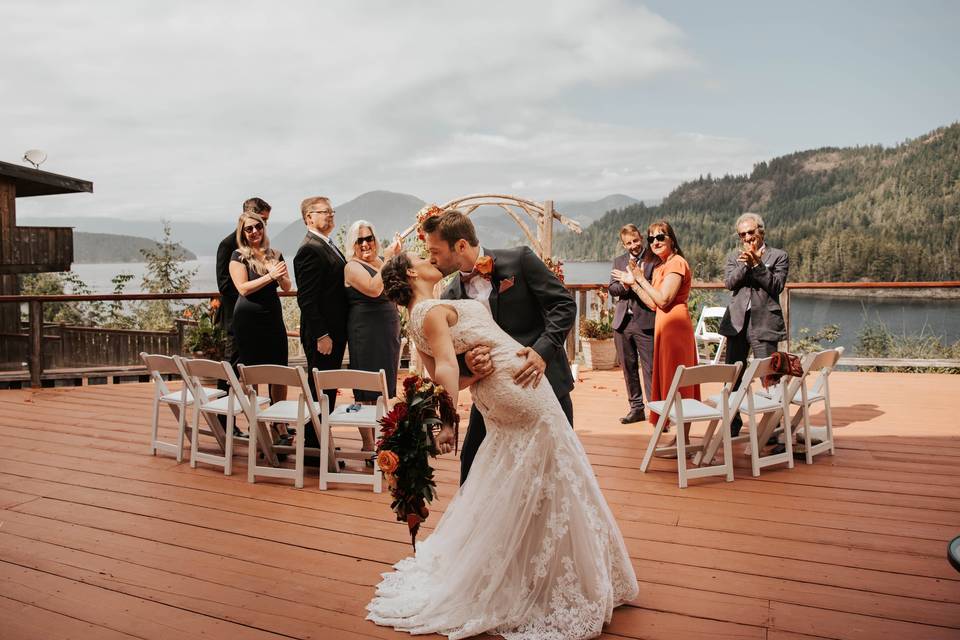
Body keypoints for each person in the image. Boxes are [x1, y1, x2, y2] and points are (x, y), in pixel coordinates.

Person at [366, 251, 638, 640]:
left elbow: (451, 372)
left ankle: (531, 568)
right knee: (552, 467)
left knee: (523, 473)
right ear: (411, 272)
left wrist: (472, 371)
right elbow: (442, 370)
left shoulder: (421, 314)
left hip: (507, 388)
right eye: (421, 257)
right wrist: (447, 421)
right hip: (519, 393)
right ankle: (551, 578)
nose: (430, 258)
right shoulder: (426, 310)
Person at [421, 209, 577, 486]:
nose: (431, 259)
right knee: (471, 469)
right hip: (492, 396)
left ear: (460, 245)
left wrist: (543, 351)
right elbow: (453, 357)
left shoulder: (520, 260)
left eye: (435, 251)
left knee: (556, 473)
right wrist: (469, 362)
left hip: (543, 384)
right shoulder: (449, 297)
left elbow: (563, 305)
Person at [612, 220, 699, 452]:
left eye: (661, 237)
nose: (656, 242)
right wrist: (634, 282)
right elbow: (652, 303)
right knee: (670, 380)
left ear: (671, 239)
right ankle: (681, 439)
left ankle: (684, 439)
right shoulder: (661, 266)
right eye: (652, 239)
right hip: (664, 327)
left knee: (680, 381)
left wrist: (639, 279)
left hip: (676, 328)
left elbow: (664, 299)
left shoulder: (677, 263)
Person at [719, 212, 789, 435]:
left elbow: (776, 286)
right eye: (742, 234)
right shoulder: (734, 257)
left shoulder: (779, 256)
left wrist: (758, 264)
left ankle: (773, 428)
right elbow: (730, 283)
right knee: (733, 375)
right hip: (737, 323)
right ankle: (733, 421)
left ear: (761, 231)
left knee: (770, 377)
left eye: (751, 232)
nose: (747, 237)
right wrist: (746, 264)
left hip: (764, 323)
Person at [228, 211, 292, 440]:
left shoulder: (275, 254)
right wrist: (269, 275)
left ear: (264, 228)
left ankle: (279, 423)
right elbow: (243, 288)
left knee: (279, 370)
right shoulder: (238, 256)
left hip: (272, 318)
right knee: (249, 373)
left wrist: (280, 274)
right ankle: (254, 422)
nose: (254, 231)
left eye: (258, 227)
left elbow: (286, 286)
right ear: (243, 233)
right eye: (249, 228)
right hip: (248, 320)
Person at [294, 196, 347, 447]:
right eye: (324, 212)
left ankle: (317, 440)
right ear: (309, 217)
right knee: (320, 390)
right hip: (323, 335)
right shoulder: (309, 249)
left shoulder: (326, 244)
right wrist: (321, 334)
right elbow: (306, 299)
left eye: (331, 211)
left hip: (335, 331)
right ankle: (313, 444)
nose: (330, 215)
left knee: (326, 389)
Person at [343, 219, 401, 452]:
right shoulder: (352, 266)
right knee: (366, 389)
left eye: (369, 238)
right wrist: (388, 260)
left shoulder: (381, 262)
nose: (365, 244)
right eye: (360, 240)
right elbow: (373, 288)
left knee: (386, 388)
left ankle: (384, 439)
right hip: (365, 331)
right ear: (353, 244)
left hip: (388, 329)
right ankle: (368, 445)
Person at [215, 197, 271, 418]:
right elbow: (225, 285)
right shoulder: (228, 245)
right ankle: (223, 419)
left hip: (260, 319)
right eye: (261, 221)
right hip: (237, 317)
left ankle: (265, 420)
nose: (262, 228)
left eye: (264, 223)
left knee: (255, 368)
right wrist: (251, 292)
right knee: (231, 366)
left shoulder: (262, 247)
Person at [608, 223, 657, 424]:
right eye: (628, 243)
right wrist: (625, 285)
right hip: (623, 322)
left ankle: (656, 411)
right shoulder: (619, 261)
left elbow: (654, 289)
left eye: (635, 241)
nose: (633, 245)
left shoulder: (653, 260)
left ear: (641, 239)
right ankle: (636, 408)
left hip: (645, 321)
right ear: (623, 244)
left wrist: (633, 281)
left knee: (650, 369)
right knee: (628, 367)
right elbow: (612, 288)